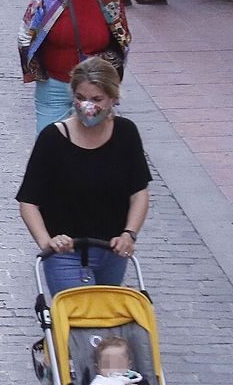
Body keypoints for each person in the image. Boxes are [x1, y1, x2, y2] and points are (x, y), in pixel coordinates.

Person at [17, 57, 148, 294]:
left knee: (106, 320)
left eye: (96, 99)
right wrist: (47, 242)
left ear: (113, 98)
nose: (87, 106)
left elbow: (139, 192)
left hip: (112, 250)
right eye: (80, 98)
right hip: (65, 253)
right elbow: (28, 201)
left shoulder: (126, 133)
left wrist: (129, 234)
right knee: (74, 319)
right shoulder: (53, 139)